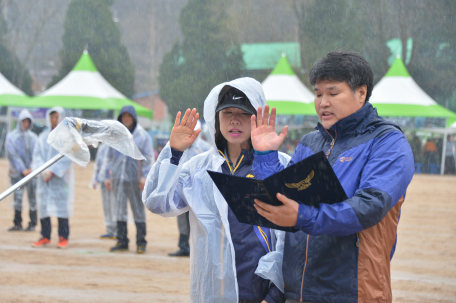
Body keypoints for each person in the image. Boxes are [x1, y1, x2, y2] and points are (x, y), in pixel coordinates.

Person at [251, 51, 415, 303]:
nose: (322, 102)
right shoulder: (310, 143)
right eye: (317, 94)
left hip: (354, 292)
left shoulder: (387, 142)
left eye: (332, 93)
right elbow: (282, 198)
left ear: (361, 93)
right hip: (298, 292)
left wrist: (304, 216)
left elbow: (369, 206)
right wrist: (265, 156)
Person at [143, 78, 289, 303]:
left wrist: (275, 294)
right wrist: (174, 153)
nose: (234, 120)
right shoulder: (198, 170)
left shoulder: (278, 165)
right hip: (211, 292)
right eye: (227, 112)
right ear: (215, 117)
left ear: (257, 116)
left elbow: (290, 237)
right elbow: (157, 203)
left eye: (242, 113)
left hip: (260, 290)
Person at [105, 105, 154, 254]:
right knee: (119, 209)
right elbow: (109, 157)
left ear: (133, 118)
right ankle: (122, 241)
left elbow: (148, 157)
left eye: (129, 116)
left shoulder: (142, 136)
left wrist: (144, 177)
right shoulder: (116, 135)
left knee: (138, 210)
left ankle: (141, 242)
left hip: (135, 178)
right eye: (123, 116)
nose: (126, 119)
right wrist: (108, 176)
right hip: (118, 178)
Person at [32, 107, 74, 249]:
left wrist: (53, 171)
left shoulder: (66, 137)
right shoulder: (43, 137)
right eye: (52, 117)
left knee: (61, 207)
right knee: (43, 206)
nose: (54, 120)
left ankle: (63, 237)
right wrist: (42, 170)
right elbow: (37, 154)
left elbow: (67, 156)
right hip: (44, 179)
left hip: (59, 180)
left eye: (56, 117)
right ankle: (45, 235)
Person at [168, 120, 211, 257]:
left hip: (199, 191)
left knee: (198, 219)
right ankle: (183, 246)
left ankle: (199, 249)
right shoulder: (177, 147)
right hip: (180, 189)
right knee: (181, 218)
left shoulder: (205, 148)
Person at [5, 109, 38, 231]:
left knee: (32, 198)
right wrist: (22, 169)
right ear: (19, 122)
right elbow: (12, 155)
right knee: (17, 197)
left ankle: (32, 223)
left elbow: (37, 154)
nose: (25, 124)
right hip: (18, 173)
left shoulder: (34, 137)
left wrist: (31, 169)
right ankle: (17, 222)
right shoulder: (11, 137)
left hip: (31, 173)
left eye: (27, 122)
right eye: (23, 121)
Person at [89, 143, 117, 239]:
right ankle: (109, 229)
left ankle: (117, 230)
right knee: (106, 206)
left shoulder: (117, 145)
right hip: (103, 180)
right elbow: (98, 163)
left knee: (114, 205)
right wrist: (95, 179)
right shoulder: (102, 147)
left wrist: (111, 176)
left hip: (114, 181)